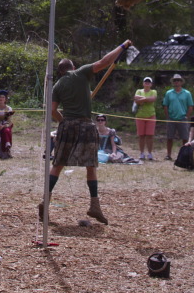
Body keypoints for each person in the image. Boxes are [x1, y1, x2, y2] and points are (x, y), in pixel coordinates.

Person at [38, 39, 133, 226]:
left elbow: (52, 111)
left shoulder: (57, 86)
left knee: (57, 164)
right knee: (91, 166)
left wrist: (64, 121)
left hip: (67, 126)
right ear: (72, 67)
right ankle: (94, 204)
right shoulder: (80, 73)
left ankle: (45, 201)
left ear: (60, 71)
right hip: (85, 126)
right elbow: (103, 62)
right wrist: (122, 46)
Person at [162, 73, 194, 160]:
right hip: (171, 118)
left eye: (178, 80)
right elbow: (165, 105)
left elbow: (190, 106)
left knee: (185, 138)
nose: (176, 82)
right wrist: (168, 116)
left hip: (182, 118)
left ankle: (184, 155)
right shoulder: (168, 93)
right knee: (169, 137)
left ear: (181, 82)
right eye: (175, 80)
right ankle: (168, 155)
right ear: (173, 82)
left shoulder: (187, 93)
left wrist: (187, 116)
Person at [134, 76, 157, 160]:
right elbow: (136, 99)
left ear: (151, 84)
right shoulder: (138, 91)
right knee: (141, 136)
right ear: (143, 83)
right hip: (140, 116)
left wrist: (142, 99)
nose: (147, 83)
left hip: (151, 115)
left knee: (150, 135)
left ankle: (150, 153)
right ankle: (141, 153)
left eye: (149, 82)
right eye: (145, 81)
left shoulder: (153, 91)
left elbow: (153, 99)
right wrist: (146, 99)